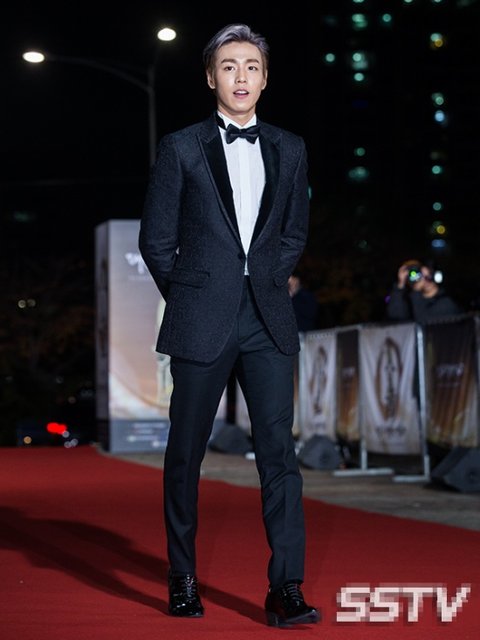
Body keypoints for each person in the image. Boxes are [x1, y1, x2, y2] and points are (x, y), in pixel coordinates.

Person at [139, 24, 319, 628]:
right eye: (229, 66)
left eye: (251, 66)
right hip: (201, 318)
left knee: (279, 455)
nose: (241, 76)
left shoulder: (290, 147)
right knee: (185, 452)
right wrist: (192, 297)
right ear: (211, 77)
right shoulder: (181, 147)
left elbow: (294, 232)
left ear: (265, 79)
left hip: (268, 318)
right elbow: (157, 241)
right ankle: (183, 577)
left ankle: (286, 587)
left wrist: (266, 277)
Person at [386, 259, 463, 324]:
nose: (423, 280)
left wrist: (416, 290)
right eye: (418, 275)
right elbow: (396, 317)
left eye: (427, 276)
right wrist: (400, 285)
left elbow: (423, 322)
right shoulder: (412, 301)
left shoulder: (446, 302)